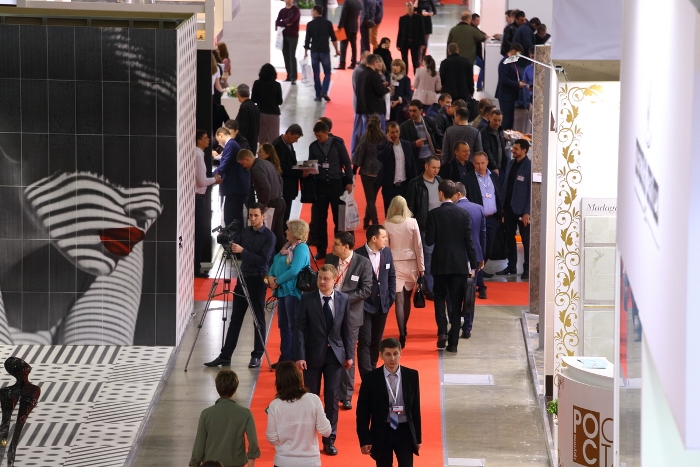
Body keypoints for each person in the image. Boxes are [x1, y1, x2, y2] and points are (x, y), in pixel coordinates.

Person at [204, 203, 276, 369]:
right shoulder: (245, 232)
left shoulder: (269, 237)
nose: (252, 218)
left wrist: (243, 251)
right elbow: (232, 250)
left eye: (256, 215)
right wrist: (226, 242)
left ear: (263, 216)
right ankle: (225, 355)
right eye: (250, 215)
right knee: (235, 318)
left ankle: (257, 355)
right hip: (243, 278)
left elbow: (263, 261)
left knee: (258, 319)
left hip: (259, 279)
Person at [294, 264, 354, 456]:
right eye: (320, 277)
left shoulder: (343, 299)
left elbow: (347, 329)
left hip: (334, 356)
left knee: (332, 398)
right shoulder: (307, 298)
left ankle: (329, 440)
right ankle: (308, 439)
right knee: (310, 399)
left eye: (326, 278)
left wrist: (349, 355)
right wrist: (300, 356)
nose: (321, 281)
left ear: (335, 280)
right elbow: (299, 329)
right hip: (312, 356)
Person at [425, 180, 479, 352]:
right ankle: (453, 343)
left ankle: (442, 332)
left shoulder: (433, 214)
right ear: (455, 193)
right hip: (459, 265)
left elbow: (429, 240)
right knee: (456, 303)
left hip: (440, 264)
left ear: (441, 193)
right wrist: (473, 265)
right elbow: (469, 241)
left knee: (439, 298)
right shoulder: (463, 214)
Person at [324, 232, 373, 411]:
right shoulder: (330, 259)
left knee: (348, 354)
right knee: (329, 352)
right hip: (328, 313)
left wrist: (341, 299)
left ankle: (346, 395)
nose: (332, 247)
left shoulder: (363, 263)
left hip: (351, 316)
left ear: (346, 247)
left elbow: (366, 290)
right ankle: (331, 390)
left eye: (336, 244)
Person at [356, 338, 422, 467]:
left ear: (400, 353)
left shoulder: (411, 376)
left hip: (405, 431)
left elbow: (415, 409)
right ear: (381, 355)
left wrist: (418, 438)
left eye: (395, 353)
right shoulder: (370, 379)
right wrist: (364, 439)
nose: (392, 358)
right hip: (382, 432)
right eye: (388, 354)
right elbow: (363, 412)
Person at [266, 361, 332, 467]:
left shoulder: (275, 405)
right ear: (299, 378)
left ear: (278, 382)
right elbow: (326, 431)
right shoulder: (313, 400)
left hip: (283, 462)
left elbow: (272, 439)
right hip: (311, 462)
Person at [189, 370, 260, 467]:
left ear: (217, 388)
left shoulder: (206, 414)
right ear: (235, 389)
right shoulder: (245, 413)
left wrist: (194, 463)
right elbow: (253, 443)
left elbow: (199, 445)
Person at [267, 220, 311, 367]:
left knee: (294, 326)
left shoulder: (302, 248)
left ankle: (297, 358)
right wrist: (270, 277)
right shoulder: (287, 246)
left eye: (288, 230)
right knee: (284, 326)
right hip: (282, 292)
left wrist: (277, 281)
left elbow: (294, 270)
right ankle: (285, 359)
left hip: (292, 293)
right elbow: (274, 263)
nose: (286, 232)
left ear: (295, 232)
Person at [307, 121, 353, 259]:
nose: (318, 138)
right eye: (316, 136)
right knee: (320, 219)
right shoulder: (313, 146)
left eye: (320, 136)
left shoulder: (338, 143)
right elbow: (311, 164)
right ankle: (321, 250)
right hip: (320, 186)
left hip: (337, 185)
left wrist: (349, 181)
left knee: (339, 219)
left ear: (327, 133)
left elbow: (347, 163)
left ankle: (339, 250)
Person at [355, 225, 396, 377]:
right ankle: (366, 376)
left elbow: (391, 276)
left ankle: (372, 371)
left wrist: (390, 297)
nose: (386, 240)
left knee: (376, 342)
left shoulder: (387, 252)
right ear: (374, 238)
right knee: (364, 341)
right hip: (364, 306)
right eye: (383, 237)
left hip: (382, 305)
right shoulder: (357, 255)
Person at [384, 196, 424, 348]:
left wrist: (385, 269)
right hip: (411, 264)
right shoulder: (412, 222)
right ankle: (404, 328)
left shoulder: (387, 224)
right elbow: (418, 246)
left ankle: (401, 331)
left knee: (399, 300)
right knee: (407, 298)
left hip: (395, 264)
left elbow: (386, 249)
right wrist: (421, 267)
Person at [464, 152, 503, 296]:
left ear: (487, 162)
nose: (480, 166)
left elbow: (499, 194)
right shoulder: (467, 179)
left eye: (483, 163)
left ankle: (476, 277)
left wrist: (501, 214)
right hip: (476, 219)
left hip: (492, 219)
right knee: (477, 250)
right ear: (473, 164)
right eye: (477, 163)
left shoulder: (494, 176)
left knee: (488, 251)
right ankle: (480, 284)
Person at [405, 156, 442, 299]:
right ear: (426, 166)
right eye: (434, 167)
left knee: (437, 256)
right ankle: (428, 288)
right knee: (427, 257)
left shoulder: (440, 181)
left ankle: (437, 285)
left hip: (439, 226)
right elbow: (410, 207)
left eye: (438, 168)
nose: (436, 170)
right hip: (424, 226)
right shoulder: (415, 184)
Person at [237, 150, 286, 251]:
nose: (243, 166)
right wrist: (279, 193)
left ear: (247, 159)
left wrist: (265, 204)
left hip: (271, 204)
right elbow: (280, 180)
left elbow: (266, 187)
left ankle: (267, 258)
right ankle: (285, 257)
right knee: (279, 234)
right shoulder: (267, 163)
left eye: (243, 163)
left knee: (266, 234)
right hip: (280, 201)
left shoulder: (256, 168)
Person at [453, 182, 485, 337]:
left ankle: (455, 323)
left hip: (456, 256)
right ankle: (467, 327)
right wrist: (481, 256)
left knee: (454, 292)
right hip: (475, 256)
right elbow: (483, 235)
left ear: (458, 194)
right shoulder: (479, 208)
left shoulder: (453, 209)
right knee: (470, 292)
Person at [498, 139, 531, 280]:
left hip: (522, 210)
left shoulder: (530, 166)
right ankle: (511, 266)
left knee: (526, 241)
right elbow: (505, 185)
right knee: (509, 238)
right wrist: (502, 206)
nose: (513, 150)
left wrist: (528, 212)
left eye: (516, 148)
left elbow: (531, 192)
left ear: (524, 150)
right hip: (509, 208)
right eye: (513, 148)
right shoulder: (511, 164)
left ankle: (527, 269)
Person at [194, 130, 222, 279]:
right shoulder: (198, 155)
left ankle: (196, 266)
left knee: (201, 232)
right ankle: (196, 267)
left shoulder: (199, 154)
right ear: (199, 140)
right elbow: (201, 181)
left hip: (199, 197)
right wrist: (215, 179)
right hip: (198, 198)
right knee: (200, 233)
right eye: (205, 138)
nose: (208, 140)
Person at [376, 121, 417, 213]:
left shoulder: (406, 144)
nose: (395, 134)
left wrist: (415, 182)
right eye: (392, 132)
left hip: (405, 186)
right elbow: (381, 157)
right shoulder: (382, 146)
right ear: (387, 133)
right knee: (390, 213)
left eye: (397, 131)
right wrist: (389, 144)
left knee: (405, 213)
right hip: (389, 187)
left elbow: (412, 164)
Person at [353, 115, 386, 229]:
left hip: (367, 172)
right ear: (379, 124)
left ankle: (375, 223)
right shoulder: (383, 137)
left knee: (370, 199)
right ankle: (366, 221)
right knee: (373, 198)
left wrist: (354, 169)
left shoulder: (365, 137)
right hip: (380, 172)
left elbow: (359, 154)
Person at [213, 127, 250, 228]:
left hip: (235, 188)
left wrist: (212, 175)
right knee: (234, 216)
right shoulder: (232, 144)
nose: (218, 143)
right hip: (236, 188)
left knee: (231, 217)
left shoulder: (230, 145)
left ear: (221, 135)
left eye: (218, 140)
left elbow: (225, 164)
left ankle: (235, 237)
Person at [304, 5, 339, 102]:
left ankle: (318, 96)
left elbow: (307, 40)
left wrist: (305, 52)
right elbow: (333, 38)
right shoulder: (328, 23)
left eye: (312, 11)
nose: (312, 13)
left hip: (314, 51)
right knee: (327, 72)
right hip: (325, 51)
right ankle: (324, 90)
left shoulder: (310, 24)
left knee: (316, 73)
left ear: (315, 12)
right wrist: (337, 50)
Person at [272, 124, 304, 223]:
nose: (296, 141)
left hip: (289, 187)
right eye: (295, 138)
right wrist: (300, 174)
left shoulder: (288, 143)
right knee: (282, 216)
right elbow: (282, 167)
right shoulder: (277, 145)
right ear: (289, 133)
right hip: (283, 187)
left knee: (286, 215)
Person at [399, 100, 439, 168]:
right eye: (410, 111)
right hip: (416, 160)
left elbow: (438, 136)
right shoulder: (404, 126)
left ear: (421, 111)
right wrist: (414, 144)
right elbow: (401, 144)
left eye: (414, 111)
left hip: (430, 158)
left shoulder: (430, 121)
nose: (412, 113)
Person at [495, 43, 525, 131]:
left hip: (510, 95)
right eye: (518, 55)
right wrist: (517, 84)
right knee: (506, 120)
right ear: (513, 51)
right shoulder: (505, 62)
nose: (519, 57)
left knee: (510, 119)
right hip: (505, 95)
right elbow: (504, 80)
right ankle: (503, 136)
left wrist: (520, 81)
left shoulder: (511, 62)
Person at [356, 54, 390, 131]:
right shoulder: (375, 75)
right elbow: (380, 91)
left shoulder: (361, 73)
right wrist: (387, 89)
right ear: (374, 63)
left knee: (366, 130)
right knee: (379, 131)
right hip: (374, 109)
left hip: (363, 107)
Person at [252, 64, 283, 145]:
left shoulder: (257, 83)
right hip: (273, 115)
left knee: (261, 139)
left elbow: (253, 99)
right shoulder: (277, 85)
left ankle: (261, 153)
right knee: (273, 140)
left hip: (260, 114)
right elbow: (280, 101)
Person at [275, 0, 301, 84]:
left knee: (291, 56)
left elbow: (291, 20)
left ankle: (293, 77)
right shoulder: (282, 11)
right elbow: (277, 22)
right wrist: (285, 22)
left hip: (293, 36)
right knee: (286, 56)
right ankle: (289, 75)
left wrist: (283, 22)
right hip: (283, 37)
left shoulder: (296, 10)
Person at [351, 51, 372, 155]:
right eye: (367, 58)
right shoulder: (358, 71)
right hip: (360, 105)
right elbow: (358, 90)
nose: (369, 60)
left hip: (363, 104)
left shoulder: (363, 70)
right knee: (357, 130)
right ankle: (354, 153)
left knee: (362, 129)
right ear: (362, 58)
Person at [396, 2, 425, 75]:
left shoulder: (419, 18)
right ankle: (404, 77)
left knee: (415, 61)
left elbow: (422, 31)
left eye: (410, 6)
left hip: (415, 42)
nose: (409, 7)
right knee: (404, 61)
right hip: (405, 42)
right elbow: (400, 31)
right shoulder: (402, 19)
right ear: (405, 8)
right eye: (408, 6)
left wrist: (423, 43)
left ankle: (417, 77)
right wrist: (398, 43)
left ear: (413, 7)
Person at [481, 109, 508, 176]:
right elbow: (487, 150)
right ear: (490, 118)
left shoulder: (500, 130)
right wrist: (494, 167)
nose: (497, 123)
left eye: (499, 120)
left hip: (501, 167)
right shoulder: (484, 132)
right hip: (491, 168)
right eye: (495, 120)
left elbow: (502, 148)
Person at [234, 83, 260, 152]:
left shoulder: (244, 107)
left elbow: (243, 127)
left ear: (238, 95)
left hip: (246, 144)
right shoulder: (254, 106)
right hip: (254, 140)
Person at [337, 0, 361, 70]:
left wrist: (340, 26)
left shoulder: (347, 2)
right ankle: (353, 63)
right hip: (355, 26)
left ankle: (342, 63)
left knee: (343, 45)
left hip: (346, 26)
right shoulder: (358, 2)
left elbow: (343, 14)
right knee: (354, 45)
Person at [389, 59, 412, 124]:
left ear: (401, 68)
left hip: (401, 109)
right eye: (393, 65)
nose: (395, 67)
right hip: (389, 107)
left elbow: (408, 95)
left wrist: (398, 101)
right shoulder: (389, 78)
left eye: (397, 66)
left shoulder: (406, 79)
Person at [471, 13, 487, 91]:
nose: (478, 23)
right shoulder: (473, 29)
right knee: (484, 67)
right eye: (477, 21)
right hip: (474, 54)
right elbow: (481, 36)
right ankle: (479, 85)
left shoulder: (474, 28)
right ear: (472, 21)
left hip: (473, 54)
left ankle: (472, 86)